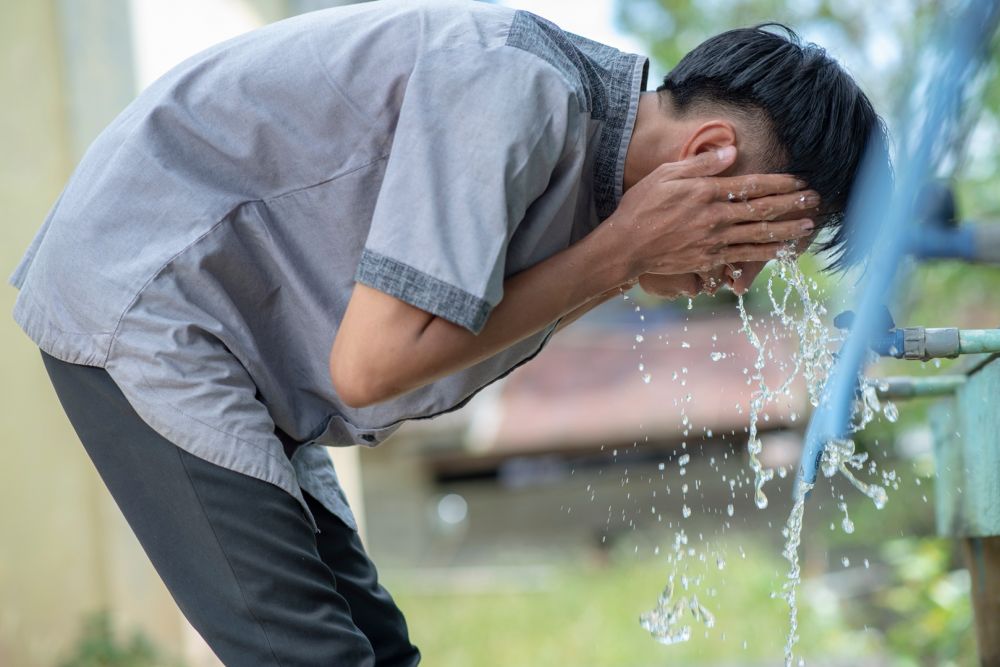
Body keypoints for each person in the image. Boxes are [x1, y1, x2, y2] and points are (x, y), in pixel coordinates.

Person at [9, 1, 888, 664]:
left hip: (245, 336)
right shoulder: (516, 91)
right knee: (314, 655)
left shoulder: (587, 186)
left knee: (378, 650)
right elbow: (371, 366)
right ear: (705, 160)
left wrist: (619, 253)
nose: (738, 281)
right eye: (752, 244)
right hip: (147, 288)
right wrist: (621, 255)